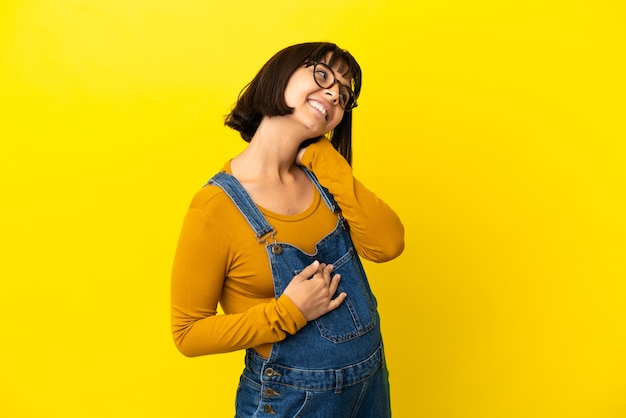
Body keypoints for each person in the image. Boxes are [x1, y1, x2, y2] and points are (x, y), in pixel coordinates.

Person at [171, 42, 404, 417]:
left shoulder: (325, 178)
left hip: (369, 385)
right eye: (323, 75)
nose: (333, 93)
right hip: (291, 401)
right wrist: (288, 312)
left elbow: (388, 244)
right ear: (279, 75)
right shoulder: (214, 208)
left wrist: (326, 158)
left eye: (344, 95)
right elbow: (187, 333)